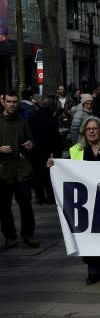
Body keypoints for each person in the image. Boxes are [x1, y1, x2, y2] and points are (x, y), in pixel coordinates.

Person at [47, 117, 100, 284]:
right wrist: (55, 164)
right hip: (86, 201)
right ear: (83, 131)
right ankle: (93, 270)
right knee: (90, 236)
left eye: (94, 128)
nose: (91, 131)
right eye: (88, 129)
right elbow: (66, 167)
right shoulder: (75, 149)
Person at [0, 91, 38, 248]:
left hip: (21, 171)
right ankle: (10, 236)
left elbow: (31, 140)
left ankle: (28, 234)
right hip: (3, 171)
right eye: (9, 101)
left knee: (26, 205)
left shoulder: (22, 121)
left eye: (15, 102)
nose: (12, 105)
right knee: (4, 207)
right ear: (3, 101)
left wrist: (30, 144)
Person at [28, 97, 63, 205]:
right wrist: (57, 153)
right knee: (49, 176)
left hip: (36, 151)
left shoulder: (33, 117)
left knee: (38, 175)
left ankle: (40, 197)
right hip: (48, 151)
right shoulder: (52, 119)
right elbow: (56, 138)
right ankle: (50, 197)